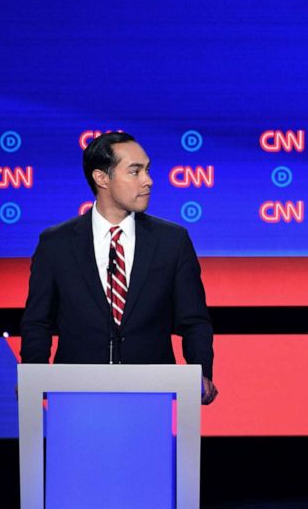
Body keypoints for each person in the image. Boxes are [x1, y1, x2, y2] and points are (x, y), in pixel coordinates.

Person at [20, 132, 218, 404]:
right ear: (102, 178)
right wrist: (34, 375)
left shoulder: (172, 241)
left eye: (147, 170)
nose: (148, 181)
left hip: (150, 396)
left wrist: (201, 371)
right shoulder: (56, 243)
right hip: (75, 397)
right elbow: (37, 322)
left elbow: (194, 320)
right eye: (134, 172)